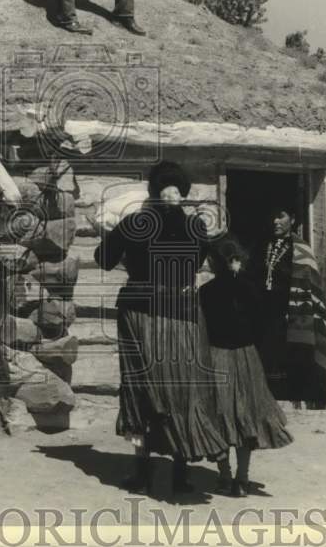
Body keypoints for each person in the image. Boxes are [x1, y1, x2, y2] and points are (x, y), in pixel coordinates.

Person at [94, 160, 225, 495]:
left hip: (142, 311)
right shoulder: (195, 227)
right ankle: (178, 472)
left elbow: (104, 260)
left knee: (144, 388)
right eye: (173, 189)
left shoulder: (135, 222)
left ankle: (144, 472)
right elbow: (194, 264)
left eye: (172, 189)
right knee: (177, 387)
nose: (172, 194)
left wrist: (111, 235)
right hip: (175, 313)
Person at [200, 234, 293, 497]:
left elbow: (201, 328)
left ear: (214, 262)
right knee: (246, 418)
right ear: (239, 260)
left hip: (216, 357)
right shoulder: (251, 289)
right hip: (246, 357)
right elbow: (263, 324)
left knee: (218, 416)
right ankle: (242, 478)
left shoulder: (205, 292)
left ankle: (224, 476)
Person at [250, 205, 326, 405]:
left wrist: (295, 311)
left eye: (280, 216)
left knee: (288, 356)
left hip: (290, 313)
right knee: (264, 354)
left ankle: (292, 399)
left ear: (292, 219)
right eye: (272, 217)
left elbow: (310, 286)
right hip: (264, 312)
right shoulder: (262, 245)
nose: (275, 222)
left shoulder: (301, 250)